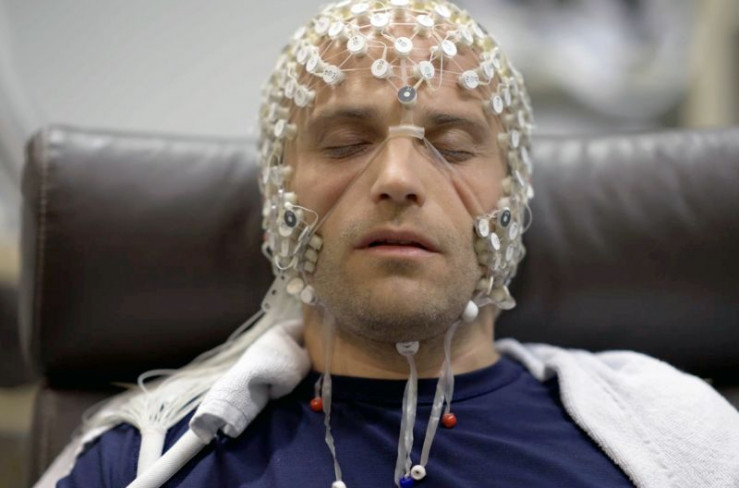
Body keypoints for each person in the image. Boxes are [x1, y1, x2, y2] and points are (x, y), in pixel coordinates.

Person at [37, 1, 738, 487]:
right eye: (346, 143)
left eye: (452, 146)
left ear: (513, 197)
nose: (398, 178)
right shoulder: (139, 462)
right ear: (277, 195)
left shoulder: (679, 434)